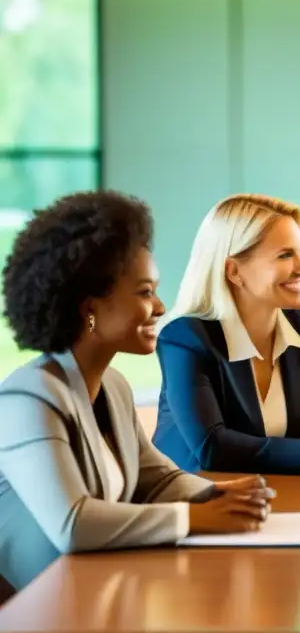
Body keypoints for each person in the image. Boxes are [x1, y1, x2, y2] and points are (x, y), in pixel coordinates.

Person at [0, 191, 274, 591]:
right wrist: (192, 518)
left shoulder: (112, 386)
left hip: (93, 588)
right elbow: (73, 524)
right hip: (35, 610)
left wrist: (217, 494)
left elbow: (156, 480)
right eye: (145, 292)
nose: (160, 307)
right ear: (89, 307)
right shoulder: (26, 400)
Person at [153, 194, 300, 475]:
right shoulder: (185, 338)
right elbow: (212, 448)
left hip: (280, 496)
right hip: (195, 501)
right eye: (285, 255)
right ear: (234, 271)